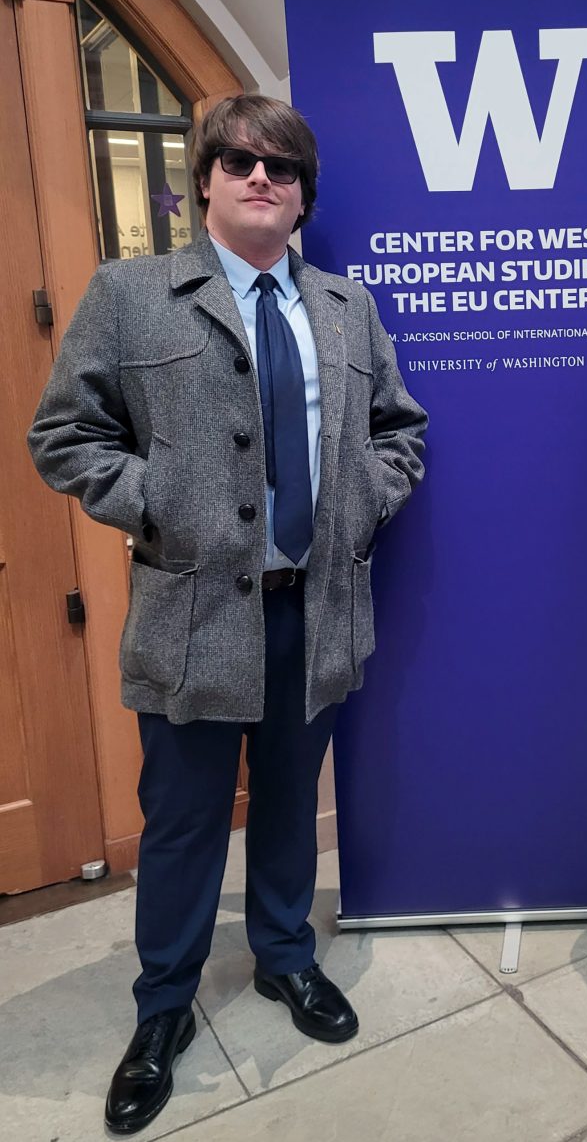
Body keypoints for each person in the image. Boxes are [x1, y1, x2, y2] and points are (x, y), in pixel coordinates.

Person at [28, 95, 427, 1134]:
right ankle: (162, 1007)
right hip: (194, 615)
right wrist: (157, 501)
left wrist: (366, 499)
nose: (262, 178)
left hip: (316, 609)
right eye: (240, 161)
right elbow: (64, 435)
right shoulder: (131, 295)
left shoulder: (347, 306)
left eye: (283, 167)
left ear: (304, 195)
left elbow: (401, 429)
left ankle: (285, 960)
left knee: (292, 808)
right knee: (186, 823)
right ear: (201, 178)